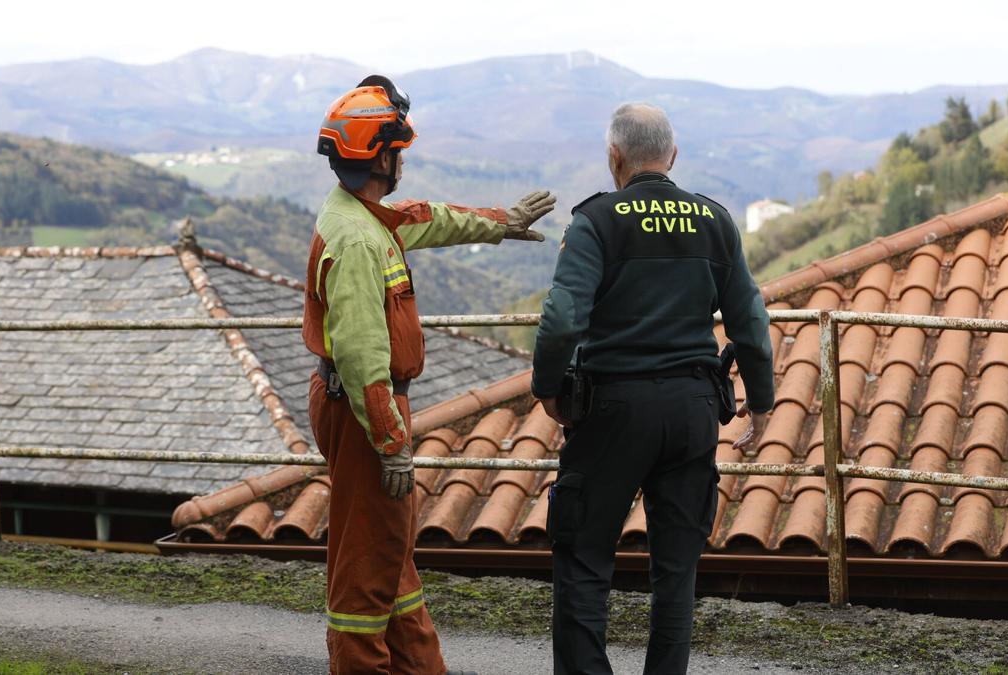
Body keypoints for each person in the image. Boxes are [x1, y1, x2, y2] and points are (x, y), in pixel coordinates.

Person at [303, 75, 556, 675]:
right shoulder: (360, 240)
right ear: (379, 155)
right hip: (369, 413)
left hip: (361, 408)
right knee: (366, 570)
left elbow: (429, 218)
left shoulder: (363, 217)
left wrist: (501, 221)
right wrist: (392, 444)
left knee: (389, 557)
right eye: (398, 150)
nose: (402, 161)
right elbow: (365, 357)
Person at [531, 102, 775, 675]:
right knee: (676, 573)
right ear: (673, 155)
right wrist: (760, 403)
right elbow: (751, 324)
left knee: (585, 559)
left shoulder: (597, 221)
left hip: (612, 410)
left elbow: (563, 318)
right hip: (692, 412)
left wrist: (546, 387)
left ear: (614, 157)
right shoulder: (714, 222)